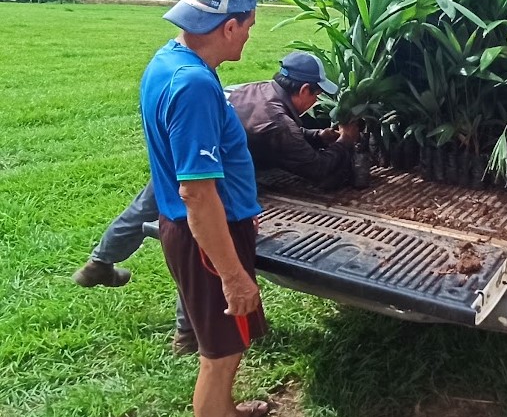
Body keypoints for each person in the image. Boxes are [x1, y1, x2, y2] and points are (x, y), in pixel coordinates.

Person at [72, 51, 359, 354]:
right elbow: (319, 170)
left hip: (185, 157)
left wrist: (315, 135)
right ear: (303, 91)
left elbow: (278, 128)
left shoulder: (257, 89)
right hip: (209, 176)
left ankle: (100, 261)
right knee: (198, 243)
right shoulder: (278, 123)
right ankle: (187, 334)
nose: (316, 102)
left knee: (145, 207)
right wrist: (345, 141)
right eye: (316, 95)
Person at [139, 0, 267, 417]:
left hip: (206, 233)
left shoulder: (169, 62)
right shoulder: (193, 85)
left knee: (227, 346)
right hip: (208, 243)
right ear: (229, 26)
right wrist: (233, 275)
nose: (249, 37)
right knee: (220, 355)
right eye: (250, 27)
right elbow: (196, 193)